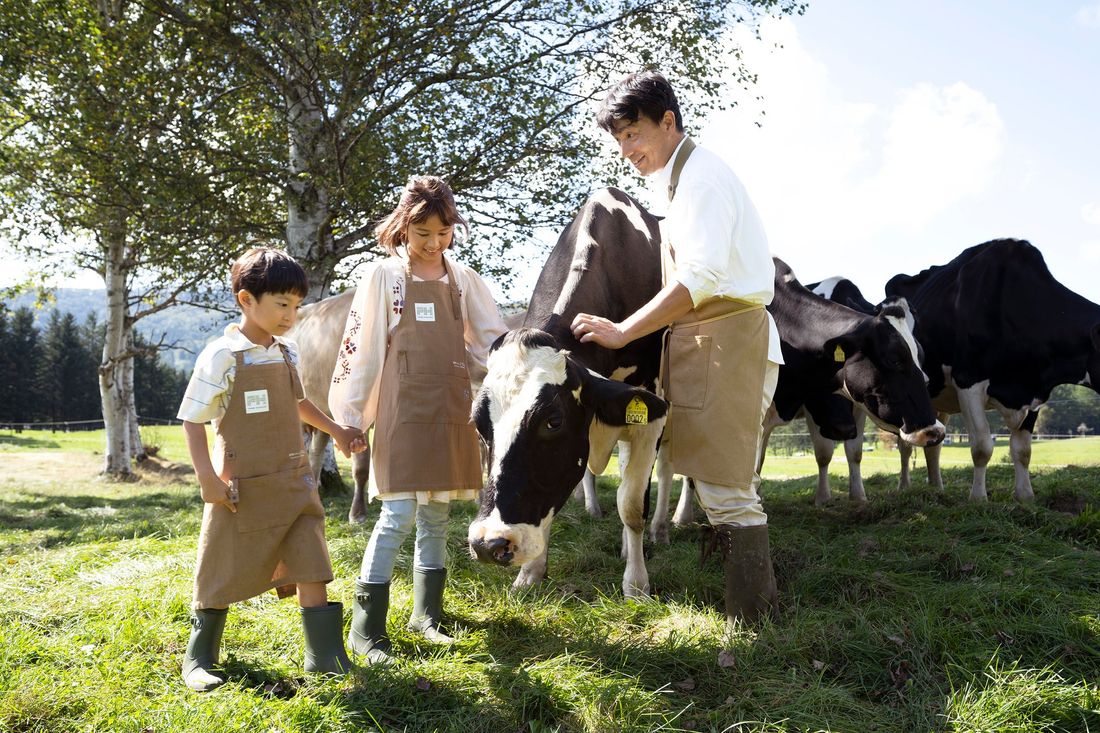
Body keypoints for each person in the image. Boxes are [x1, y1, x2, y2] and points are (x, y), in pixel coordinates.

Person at [570, 70, 784, 624]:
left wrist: (621, 333)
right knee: (718, 483)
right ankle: (751, 610)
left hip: (729, 335)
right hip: (708, 339)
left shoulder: (701, 181)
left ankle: (755, 621)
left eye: (634, 134)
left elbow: (702, 278)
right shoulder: (680, 180)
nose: (627, 150)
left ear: (669, 121)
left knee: (724, 485)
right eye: (618, 141)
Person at [329, 175, 507, 664]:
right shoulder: (383, 277)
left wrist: (523, 369)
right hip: (402, 409)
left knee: (437, 516)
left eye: (443, 233)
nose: (434, 244)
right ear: (403, 227)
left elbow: (492, 340)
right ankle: (366, 632)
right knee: (397, 516)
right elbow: (360, 348)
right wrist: (349, 417)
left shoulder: (462, 279)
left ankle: (427, 617)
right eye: (423, 233)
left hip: (451, 407)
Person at [177, 246, 366, 692]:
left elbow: (298, 403)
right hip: (238, 487)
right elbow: (191, 419)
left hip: (294, 481)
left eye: (296, 306)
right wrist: (207, 478)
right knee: (219, 567)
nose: (291, 315)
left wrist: (337, 431)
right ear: (246, 300)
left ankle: (324, 656)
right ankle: (200, 657)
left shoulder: (287, 353)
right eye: (282, 304)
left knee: (312, 561)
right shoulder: (221, 356)